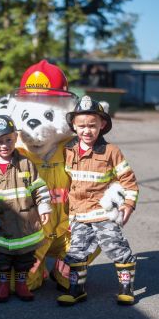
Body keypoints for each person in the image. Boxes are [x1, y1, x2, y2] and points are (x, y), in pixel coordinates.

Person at [57, 95, 139, 307]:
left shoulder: (112, 152)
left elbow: (128, 181)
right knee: (76, 252)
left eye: (92, 125)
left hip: (103, 213)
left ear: (102, 124)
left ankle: (126, 289)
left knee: (116, 248)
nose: (87, 130)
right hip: (78, 214)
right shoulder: (67, 150)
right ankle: (77, 290)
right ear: (73, 126)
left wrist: (128, 204)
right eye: (81, 126)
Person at [0, 115, 51, 303]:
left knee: (25, 261)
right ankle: (3, 285)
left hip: (26, 226)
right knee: (2, 261)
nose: (4, 145)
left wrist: (44, 206)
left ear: (15, 138)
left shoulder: (25, 163)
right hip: (2, 228)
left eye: (8, 140)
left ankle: (22, 285)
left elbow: (39, 187)